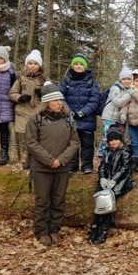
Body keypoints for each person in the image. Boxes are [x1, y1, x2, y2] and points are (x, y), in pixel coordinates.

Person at [25, 82, 80, 247]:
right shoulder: (35, 120)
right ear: (47, 102)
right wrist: (50, 160)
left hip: (62, 168)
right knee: (43, 201)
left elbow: (74, 142)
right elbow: (31, 143)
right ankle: (42, 231)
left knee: (58, 200)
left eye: (60, 100)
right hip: (41, 168)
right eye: (55, 100)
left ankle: (54, 229)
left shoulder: (69, 120)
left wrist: (61, 160)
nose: (59, 103)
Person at [89, 129, 136, 245]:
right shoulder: (107, 152)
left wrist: (114, 180)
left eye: (116, 140)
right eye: (111, 140)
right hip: (106, 180)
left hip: (121, 181)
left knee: (106, 202)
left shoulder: (125, 151)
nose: (114, 142)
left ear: (120, 140)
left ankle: (104, 230)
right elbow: (102, 167)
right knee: (98, 198)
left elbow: (125, 168)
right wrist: (102, 178)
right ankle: (95, 226)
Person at [59, 53, 100, 174]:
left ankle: (87, 165)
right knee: (72, 143)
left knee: (87, 144)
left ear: (85, 66)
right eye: (76, 63)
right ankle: (73, 165)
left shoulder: (92, 82)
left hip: (87, 119)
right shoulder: (66, 80)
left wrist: (83, 112)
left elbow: (94, 100)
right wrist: (69, 112)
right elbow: (60, 97)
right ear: (72, 65)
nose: (78, 66)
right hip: (70, 118)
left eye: (81, 64)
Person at [9, 49, 47, 169]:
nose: (32, 66)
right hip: (23, 112)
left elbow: (49, 98)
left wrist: (42, 94)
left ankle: (32, 160)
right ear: (26, 65)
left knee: (36, 138)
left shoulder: (44, 80)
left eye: (35, 64)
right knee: (25, 139)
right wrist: (20, 98)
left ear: (39, 66)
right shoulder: (20, 79)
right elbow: (12, 93)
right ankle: (25, 159)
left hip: (38, 113)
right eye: (30, 63)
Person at [98, 67, 133, 159]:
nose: (126, 81)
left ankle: (115, 159)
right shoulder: (115, 88)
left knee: (118, 140)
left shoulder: (129, 90)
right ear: (120, 79)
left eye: (129, 79)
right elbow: (118, 102)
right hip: (109, 117)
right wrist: (129, 93)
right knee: (107, 138)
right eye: (124, 79)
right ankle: (102, 158)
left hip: (121, 120)